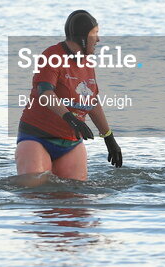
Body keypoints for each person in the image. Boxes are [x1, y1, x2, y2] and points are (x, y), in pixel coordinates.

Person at [15, 10, 123, 186]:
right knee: (35, 189)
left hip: (71, 142)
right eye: (94, 33)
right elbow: (45, 93)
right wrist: (70, 118)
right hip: (37, 137)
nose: (98, 39)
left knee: (76, 196)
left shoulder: (87, 62)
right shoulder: (52, 55)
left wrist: (109, 137)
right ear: (82, 36)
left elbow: (92, 102)